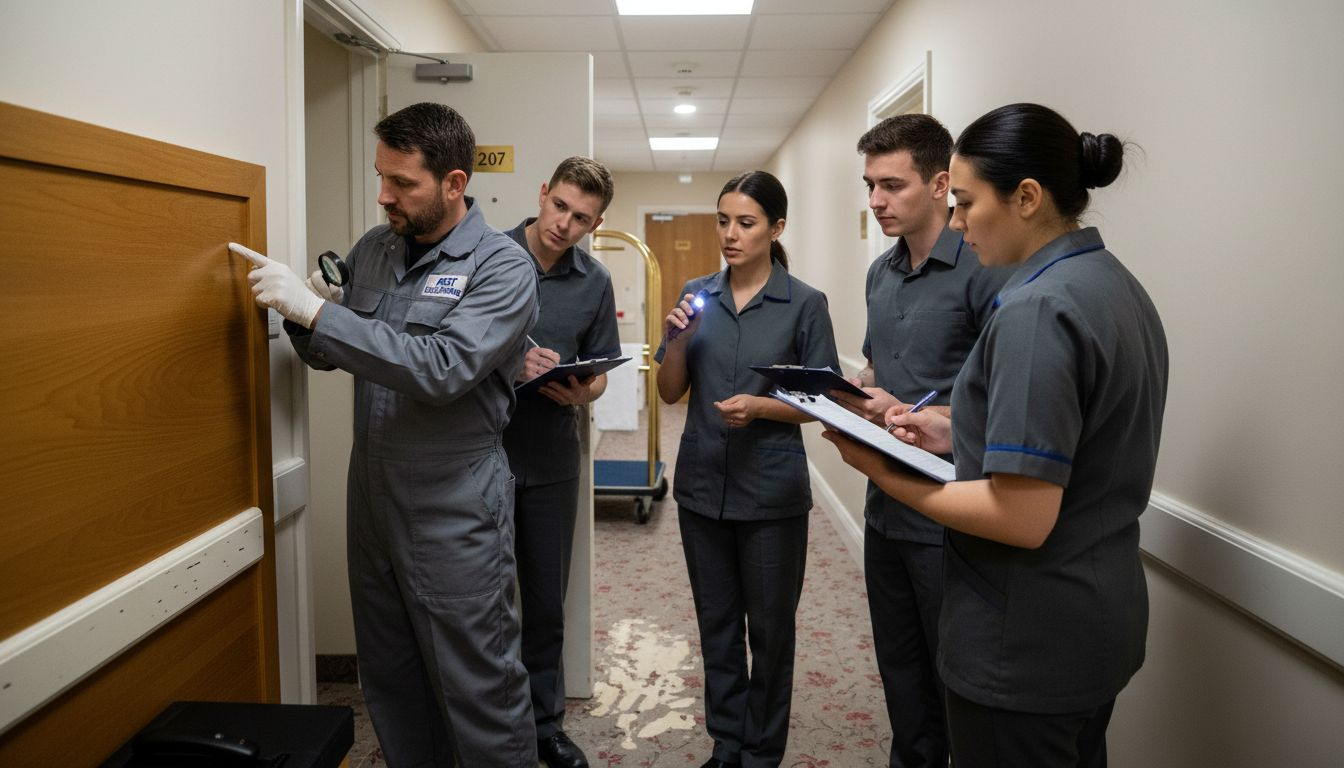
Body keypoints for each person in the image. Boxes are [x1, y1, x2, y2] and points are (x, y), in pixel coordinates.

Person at [823, 103, 1168, 768]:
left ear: (1028, 198)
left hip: (1025, 636)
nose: (957, 222)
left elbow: (1020, 516)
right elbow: (1074, 437)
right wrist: (950, 427)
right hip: (1096, 614)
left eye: (967, 203)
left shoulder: (1036, 308)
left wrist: (881, 466)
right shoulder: (1114, 285)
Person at [234, 102, 540, 767]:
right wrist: (304, 318)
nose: (384, 195)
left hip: (453, 505)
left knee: (478, 686)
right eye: (382, 177)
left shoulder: (502, 268)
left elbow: (442, 369)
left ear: (454, 183)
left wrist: (319, 311)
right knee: (393, 680)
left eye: (403, 183)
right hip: (371, 498)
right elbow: (332, 354)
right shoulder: (374, 249)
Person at [828, 114, 1009, 768]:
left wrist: (926, 414)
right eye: (870, 185)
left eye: (893, 186)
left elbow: (1006, 396)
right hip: (887, 505)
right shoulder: (880, 273)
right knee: (899, 670)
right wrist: (857, 391)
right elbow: (881, 366)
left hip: (954, 517)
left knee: (953, 682)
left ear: (940, 184)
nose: (876, 201)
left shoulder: (984, 271)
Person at [656, 171, 840, 768]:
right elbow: (668, 390)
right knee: (716, 625)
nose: (730, 235)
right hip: (702, 485)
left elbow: (824, 401)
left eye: (746, 223)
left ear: (776, 228)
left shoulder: (804, 304)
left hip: (771, 494)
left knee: (769, 630)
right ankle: (727, 744)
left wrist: (763, 407)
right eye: (723, 221)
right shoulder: (696, 294)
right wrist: (675, 339)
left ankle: (762, 752)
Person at [503, 156, 620, 768]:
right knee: (480, 601)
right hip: (479, 455)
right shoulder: (483, 256)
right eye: (560, 208)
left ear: (596, 223)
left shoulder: (593, 281)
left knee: (546, 601)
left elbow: (600, 370)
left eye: (582, 219)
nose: (565, 225)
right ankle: (489, 723)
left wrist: (584, 391)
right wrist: (508, 366)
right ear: (543, 194)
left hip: (550, 455)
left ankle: (546, 725)